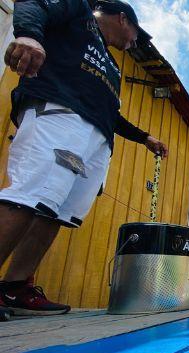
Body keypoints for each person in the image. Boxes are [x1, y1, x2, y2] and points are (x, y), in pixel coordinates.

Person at [0, 0, 168, 319]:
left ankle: (14, 287)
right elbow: (33, 4)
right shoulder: (77, 12)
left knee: (57, 211)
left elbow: (111, 113)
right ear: (122, 18)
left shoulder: (113, 67)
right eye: (135, 33)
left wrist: (145, 137)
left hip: (95, 139)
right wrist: (29, 36)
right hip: (60, 113)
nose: (135, 42)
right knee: (29, 194)